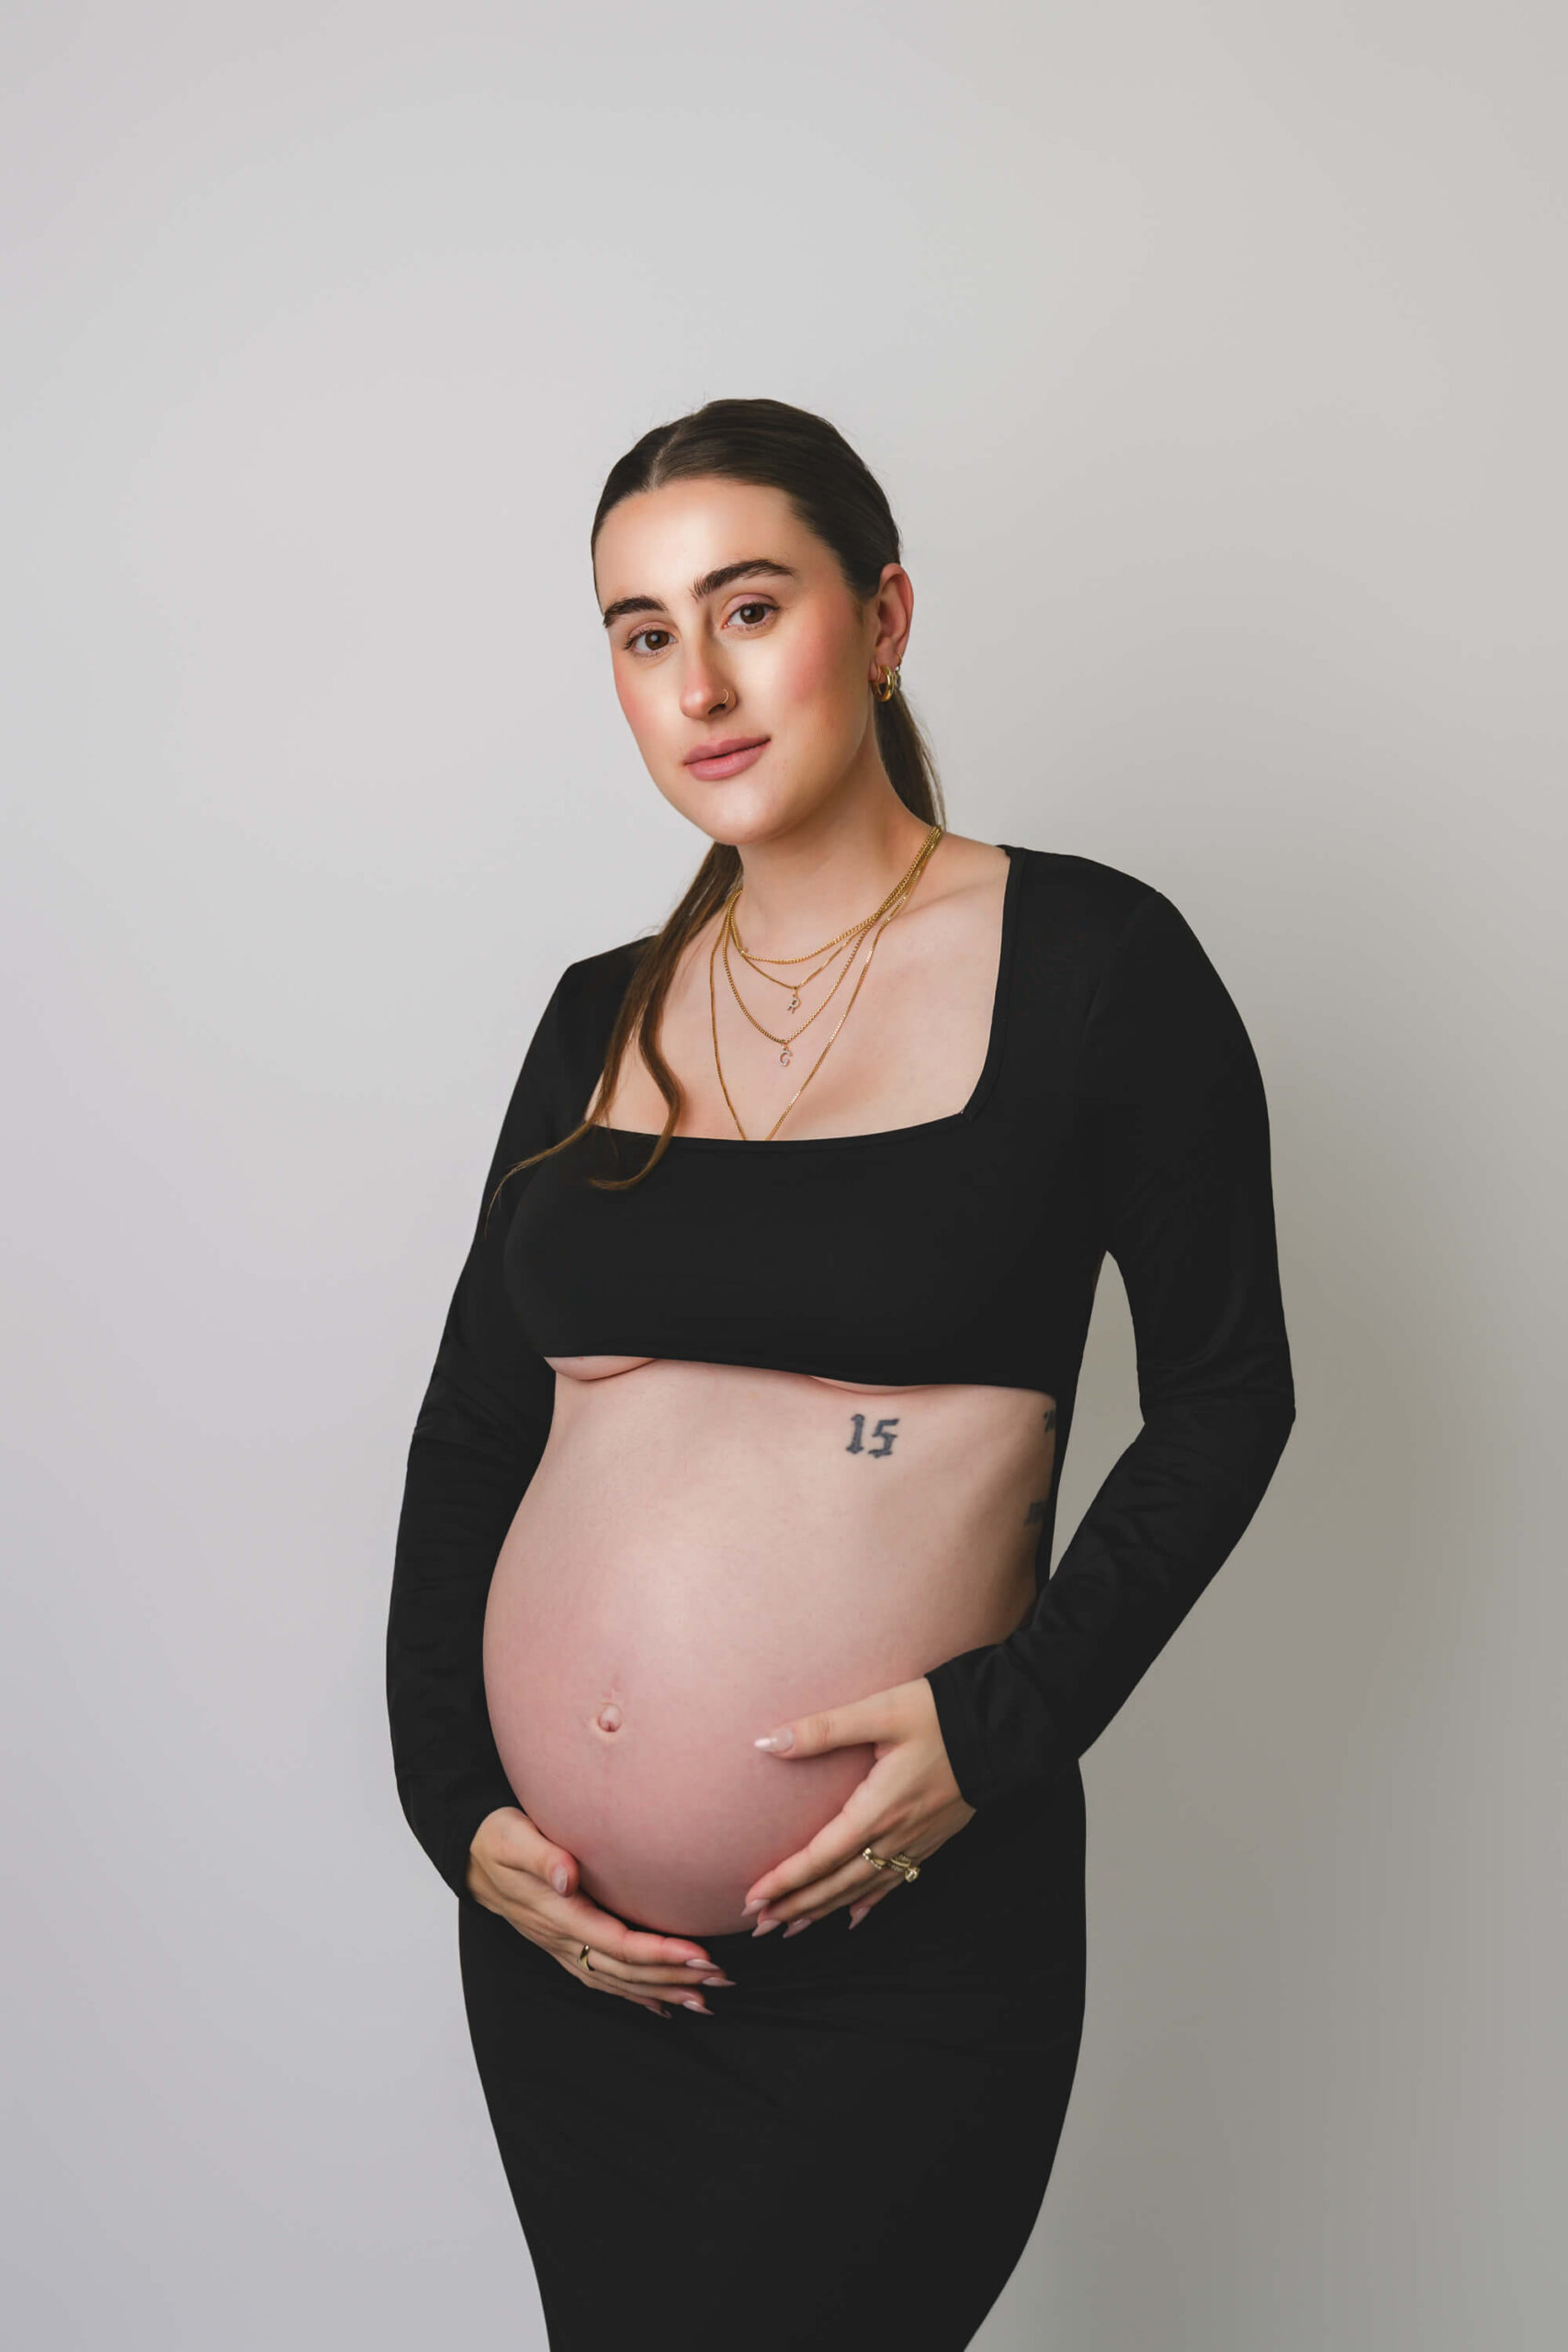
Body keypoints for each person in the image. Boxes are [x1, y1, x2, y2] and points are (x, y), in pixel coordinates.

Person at [386, 395, 1296, 2350]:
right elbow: (474, 1432)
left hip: (896, 1946)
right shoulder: (589, 1017)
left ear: (878, 620)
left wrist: (1006, 1721)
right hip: (572, 1974)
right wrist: (454, 1803)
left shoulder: (1091, 963)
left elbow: (1227, 1387)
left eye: (746, 605)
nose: (696, 681)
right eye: (641, 633)